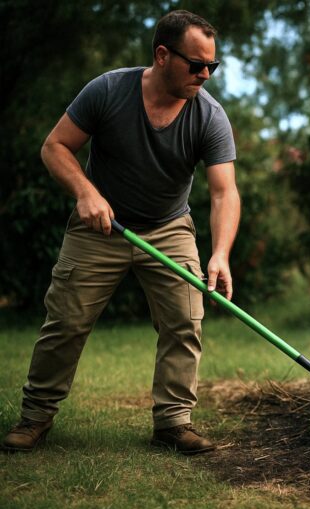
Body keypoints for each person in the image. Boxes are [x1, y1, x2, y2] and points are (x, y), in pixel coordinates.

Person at [2, 10, 240, 455]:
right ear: (163, 55)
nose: (205, 75)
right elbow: (54, 147)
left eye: (213, 66)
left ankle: (172, 423)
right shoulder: (108, 90)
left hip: (169, 227)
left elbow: (225, 193)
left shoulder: (209, 116)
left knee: (185, 322)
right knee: (66, 322)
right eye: (196, 65)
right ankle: (34, 418)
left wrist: (220, 253)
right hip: (101, 227)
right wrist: (85, 193)